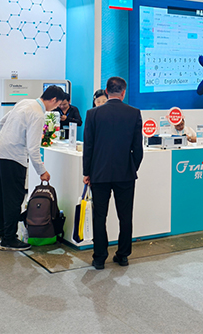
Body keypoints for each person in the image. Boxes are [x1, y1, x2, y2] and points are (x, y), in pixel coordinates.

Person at [0, 85, 65, 251]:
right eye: (57, 104)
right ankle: (9, 239)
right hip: (14, 157)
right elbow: (33, 148)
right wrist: (42, 171)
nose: (56, 108)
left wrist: (8, 138)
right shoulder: (38, 114)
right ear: (53, 100)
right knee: (14, 199)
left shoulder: (25, 102)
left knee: (2, 195)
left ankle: (0, 230)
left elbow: (2, 122)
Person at [83, 77, 143, 269]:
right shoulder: (134, 113)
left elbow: (88, 147)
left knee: (99, 216)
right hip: (125, 173)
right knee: (125, 216)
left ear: (107, 92)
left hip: (99, 173)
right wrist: (131, 167)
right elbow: (138, 149)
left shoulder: (92, 114)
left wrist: (87, 172)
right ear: (123, 93)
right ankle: (123, 255)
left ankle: (99, 258)